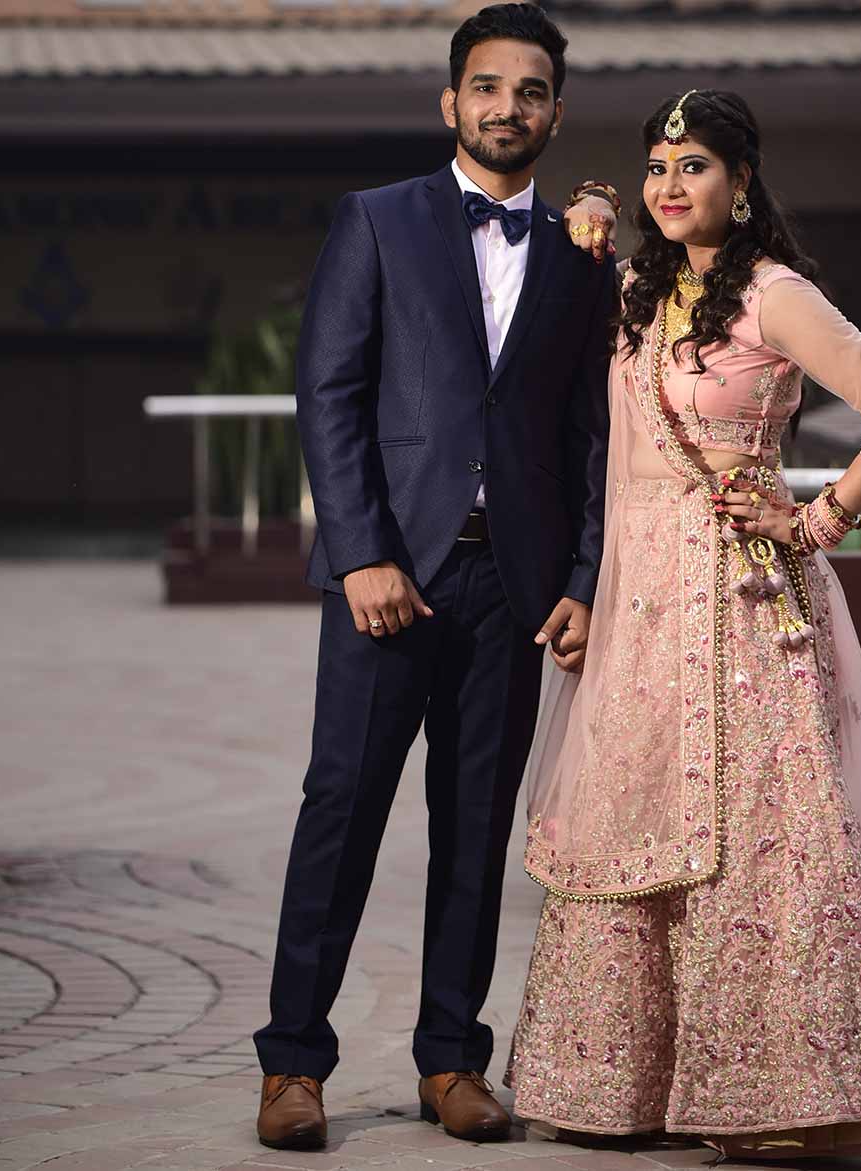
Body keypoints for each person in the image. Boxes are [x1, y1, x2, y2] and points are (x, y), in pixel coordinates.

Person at [508, 89, 861, 1158]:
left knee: (754, 829)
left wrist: (816, 519)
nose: (670, 185)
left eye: (693, 165)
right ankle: (622, 1087)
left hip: (742, 602)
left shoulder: (774, 294)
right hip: (638, 597)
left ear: (740, 183)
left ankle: (775, 1091)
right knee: (633, 816)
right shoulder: (638, 291)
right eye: (657, 167)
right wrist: (590, 200)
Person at [252, 4, 621, 1151]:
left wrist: (582, 576)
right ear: (451, 101)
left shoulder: (581, 255)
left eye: (531, 91)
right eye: (488, 87)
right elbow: (329, 393)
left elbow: (591, 435)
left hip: (512, 588)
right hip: (389, 577)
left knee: (476, 825)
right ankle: (293, 1064)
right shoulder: (375, 220)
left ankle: (453, 1059)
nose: (509, 107)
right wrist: (360, 550)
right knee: (341, 809)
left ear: (555, 112)